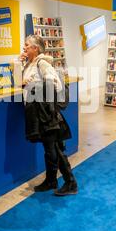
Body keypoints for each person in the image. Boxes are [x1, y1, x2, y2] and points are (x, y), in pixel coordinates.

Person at [18, 35, 77, 196]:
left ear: (36, 48)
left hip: (46, 113)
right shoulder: (29, 64)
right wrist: (18, 63)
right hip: (39, 113)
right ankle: (52, 181)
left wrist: (34, 85)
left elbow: (54, 83)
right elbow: (18, 81)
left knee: (54, 149)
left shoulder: (42, 63)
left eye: (27, 45)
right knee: (50, 148)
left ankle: (70, 182)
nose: (24, 48)